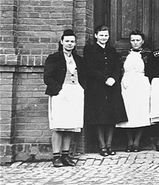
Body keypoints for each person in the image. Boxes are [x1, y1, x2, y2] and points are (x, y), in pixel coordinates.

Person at [44, 29, 86, 167]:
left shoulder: (78, 59)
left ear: (75, 44)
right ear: (62, 42)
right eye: (67, 41)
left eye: (72, 42)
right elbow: (47, 77)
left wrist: (81, 88)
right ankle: (56, 156)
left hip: (75, 92)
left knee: (70, 125)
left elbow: (84, 76)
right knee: (58, 125)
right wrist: (59, 90)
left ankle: (65, 155)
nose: (70, 44)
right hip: (60, 93)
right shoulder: (54, 58)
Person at [84, 25, 127, 156]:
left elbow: (117, 67)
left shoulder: (112, 50)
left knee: (111, 116)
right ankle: (102, 146)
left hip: (112, 87)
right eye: (101, 35)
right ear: (96, 36)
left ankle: (109, 145)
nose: (104, 38)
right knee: (100, 117)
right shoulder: (90, 50)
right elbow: (89, 68)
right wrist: (104, 79)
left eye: (106, 36)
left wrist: (114, 78)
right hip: (97, 87)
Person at [116, 30, 152, 152]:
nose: (135, 43)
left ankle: (137, 142)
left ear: (142, 41)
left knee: (140, 112)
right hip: (127, 84)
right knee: (128, 112)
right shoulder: (124, 54)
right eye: (133, 40)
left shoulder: (147, 54)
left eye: (138, 40)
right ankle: (129, 141)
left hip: (141, 83)